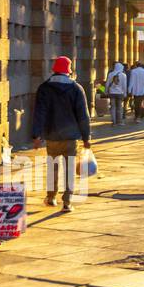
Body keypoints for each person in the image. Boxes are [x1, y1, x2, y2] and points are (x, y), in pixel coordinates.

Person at [31, 56, 91, 214]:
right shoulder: (76, 88)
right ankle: (67, 202)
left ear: (54, 69)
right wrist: (86, 138)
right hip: (71, 138)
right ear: (69, 71)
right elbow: (83, 116)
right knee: (69, 169)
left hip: (52, 137)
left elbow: (39, 113)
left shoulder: (44, 88)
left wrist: (36, 135)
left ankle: (51, 197)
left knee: (53, 168)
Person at [105, 62, 127, 126]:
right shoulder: (123, 75)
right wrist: (125, 93)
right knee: (119, 107)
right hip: (120, 93)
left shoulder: (110, 74)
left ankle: (113, 121)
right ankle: (119, 121)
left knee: (113, 107)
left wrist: (106, 91)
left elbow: (107, 83)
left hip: (112, 93)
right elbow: (124, 85)